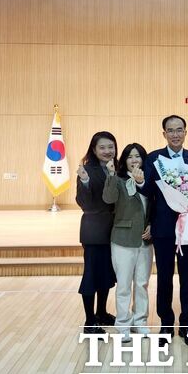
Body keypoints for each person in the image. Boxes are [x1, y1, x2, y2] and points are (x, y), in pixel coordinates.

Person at [138, 115, 188, 346]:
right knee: (164, 277)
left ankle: (187, 325)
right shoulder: (154, 158)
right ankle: (166, 323)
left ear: (186, 132)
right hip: (163, 227)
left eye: (179, 130)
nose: (175, 134)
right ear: (164, 133)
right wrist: (139, 182)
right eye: (171, 130)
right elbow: (147, 192)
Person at [102, 143, 153, 343]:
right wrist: (111, 175)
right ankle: (123, 324)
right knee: (123, 285)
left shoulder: (150, 180)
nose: (134, 160)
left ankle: (140, 321)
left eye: (138, 156)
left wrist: (152, 226)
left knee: (142, 284)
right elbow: (108, 199)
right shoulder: (118, 180)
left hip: (145, 241)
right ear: (124, 160)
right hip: (123, 240)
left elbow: (155, 207)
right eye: (130, 156)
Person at [76, 131, 118, 334]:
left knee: (107, 274)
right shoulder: (87, 170)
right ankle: (89, 321)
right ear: (94, 150)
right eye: (102, 147)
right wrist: (85, 182)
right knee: (92, 275)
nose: (107, 151)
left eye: (111, 147)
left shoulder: (116, 168)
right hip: (94, 230)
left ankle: (101, 312)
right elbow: (83, 203)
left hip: (113, 231)